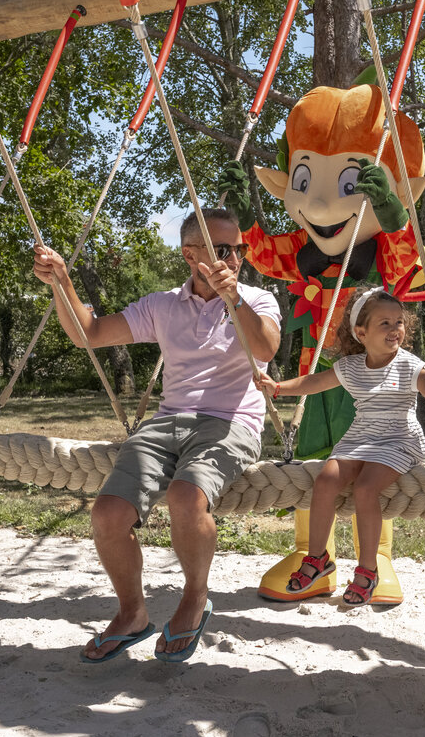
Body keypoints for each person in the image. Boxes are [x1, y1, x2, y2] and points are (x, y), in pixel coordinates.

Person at [32, 208, 281, 663]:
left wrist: (234, 300)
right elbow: (89, 334)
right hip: (167, 423)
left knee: (187, 499)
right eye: (224, 250)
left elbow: (265, 348)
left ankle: (194, 596)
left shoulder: (257, 300)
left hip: (231, 423)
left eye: (239, 249)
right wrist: (61, 284)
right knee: (107, 515)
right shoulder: (162, 305)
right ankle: (133, 614)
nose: (236, 259)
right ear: (190, 255)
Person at [258, 287, 425, 605]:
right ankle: (317, 558)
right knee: (326, 480)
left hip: (398, 440)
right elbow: (315, 382)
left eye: (399, 322)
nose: (395, 329)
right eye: (385, 323)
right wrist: (278, 387)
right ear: (361, 332)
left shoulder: (410, 365)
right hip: (360, 437)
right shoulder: (352, 366)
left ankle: (368, 570)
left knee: (366, 489)